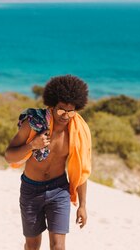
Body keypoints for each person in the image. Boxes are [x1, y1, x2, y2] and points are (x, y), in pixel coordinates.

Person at [5, 74, 92, 250]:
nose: (66, 116)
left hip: (59, 189)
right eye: (61, 110)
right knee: (32, 246)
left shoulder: (76, 132)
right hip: (31, 190)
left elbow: (81, 169)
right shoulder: (33, 125)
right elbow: (9, 155)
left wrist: (82, 205)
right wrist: (32, 145)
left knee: (58, 246)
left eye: (71, 111)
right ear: (52, 105)